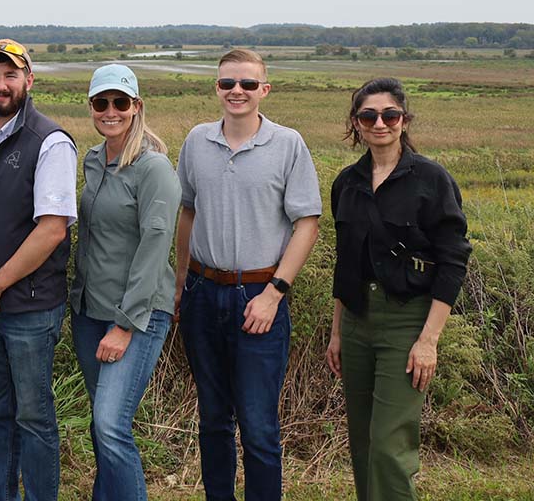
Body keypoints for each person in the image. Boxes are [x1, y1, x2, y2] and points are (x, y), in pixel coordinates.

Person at [174, 48, 322, 501]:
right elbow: (187, 211)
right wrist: (180, 284)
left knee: (258, 425)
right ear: (215, 87)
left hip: (259, 294)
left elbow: (307, 223)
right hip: (201, 292)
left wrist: (275, 292)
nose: (236, 91)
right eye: (227, 83)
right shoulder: (197, 141)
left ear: (264, 89)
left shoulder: (287, 144)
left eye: (247, 84)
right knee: (212, 419)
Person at [325, 78, 471, 501]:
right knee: (363, 441)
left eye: (390, 115)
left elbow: (453, 259)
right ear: (356, 123)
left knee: (390, 444)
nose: (380, 124)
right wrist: (337, 332)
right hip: (356, 321)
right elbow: (345, 263)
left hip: (407, 320)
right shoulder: (347, 183)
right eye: (369, 116)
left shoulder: (431, 179)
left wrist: (429, 340)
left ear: (404, 121)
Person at [0, 38, 78, 501]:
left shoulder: (50, 142)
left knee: (34, 415)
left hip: (29, 307)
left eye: (11, 75)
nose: (1, 84)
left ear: (29, 80)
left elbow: (51, 231)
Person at [69, 65, 180, 501]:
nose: (110, 111)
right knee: (102, 426)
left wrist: (125, 324)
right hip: (88, 312)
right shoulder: (93, 161)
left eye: (120, 103)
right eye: (101, 103)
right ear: (92, 107)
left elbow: (156, 246)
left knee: (111, 426)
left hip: (136, 316)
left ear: (136, 107)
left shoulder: (152, 168)